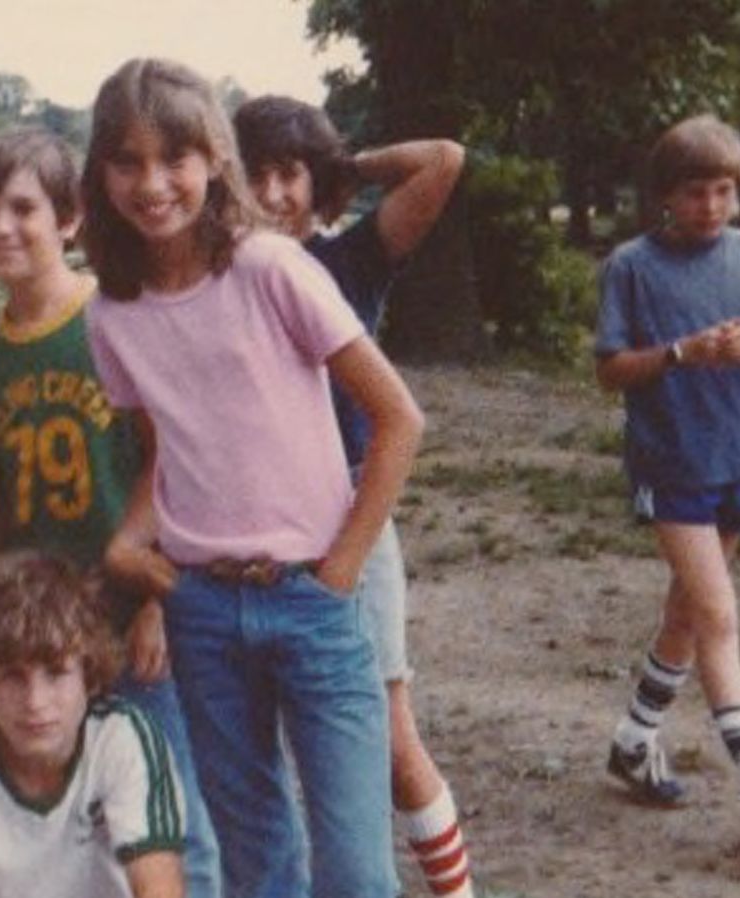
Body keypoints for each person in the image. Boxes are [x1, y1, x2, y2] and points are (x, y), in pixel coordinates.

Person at [84, 58, 425, 898]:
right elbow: (168, 449)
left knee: (355, 875)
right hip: (202, 607)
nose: (153, 184)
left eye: (175, 158)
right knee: (257, 860)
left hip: (312, 597)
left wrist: (338, 570)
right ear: (100, 174)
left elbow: (398, 421)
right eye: (127, 162)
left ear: (213, 160)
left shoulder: (270, 270)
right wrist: (135, 551)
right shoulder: (111, 314)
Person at [0, 126, 221, 898]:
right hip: (48, 627)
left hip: (133, 610)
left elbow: (177, 465)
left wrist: (160, 606)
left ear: (70, 219)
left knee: (168, 815)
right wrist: (1, 604)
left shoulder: (114, 319)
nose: (0, 227)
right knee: (63, 814)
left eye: (21, 208)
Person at [233, 95, 475, 897]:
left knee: (392, 739)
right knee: (264, 751)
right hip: (253, 534)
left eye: (289, 175)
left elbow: (443, 158)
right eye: (254, 174)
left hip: (351, 519)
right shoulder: (218, 276)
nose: (272, 194)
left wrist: (342, 167)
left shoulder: (352, 259)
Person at [595, 114, 740, 844]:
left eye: (724, 190)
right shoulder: (630, 265)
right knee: (719, 617)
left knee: (689, 614)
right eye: (695, 193)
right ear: (666, 195)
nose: (711, 206)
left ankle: (634, 742)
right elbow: (610, 370)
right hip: (672, 466)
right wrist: (680, 354)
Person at [0, 551, 184, 898]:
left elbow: (159, 889)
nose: (35, 702)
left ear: (89, 676)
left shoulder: (124, 738)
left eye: (56, 674)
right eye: (13, 677)